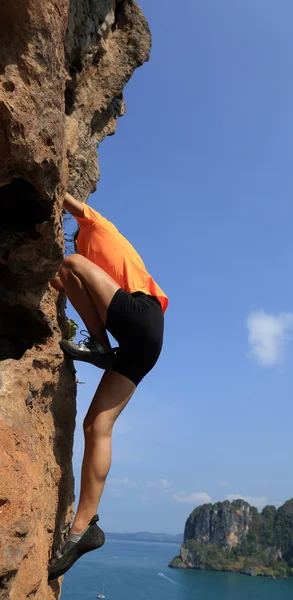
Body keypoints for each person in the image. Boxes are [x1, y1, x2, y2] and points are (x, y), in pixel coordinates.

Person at [48, 192, 168, 580]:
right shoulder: (86, 264)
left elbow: (63, 195)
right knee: (95, 426)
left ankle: (99, 345)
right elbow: (60, 281)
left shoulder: (96, 225)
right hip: (143, 342)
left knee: (71, 264)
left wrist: (56, 189)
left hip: (140, 313)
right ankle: (84, 528)